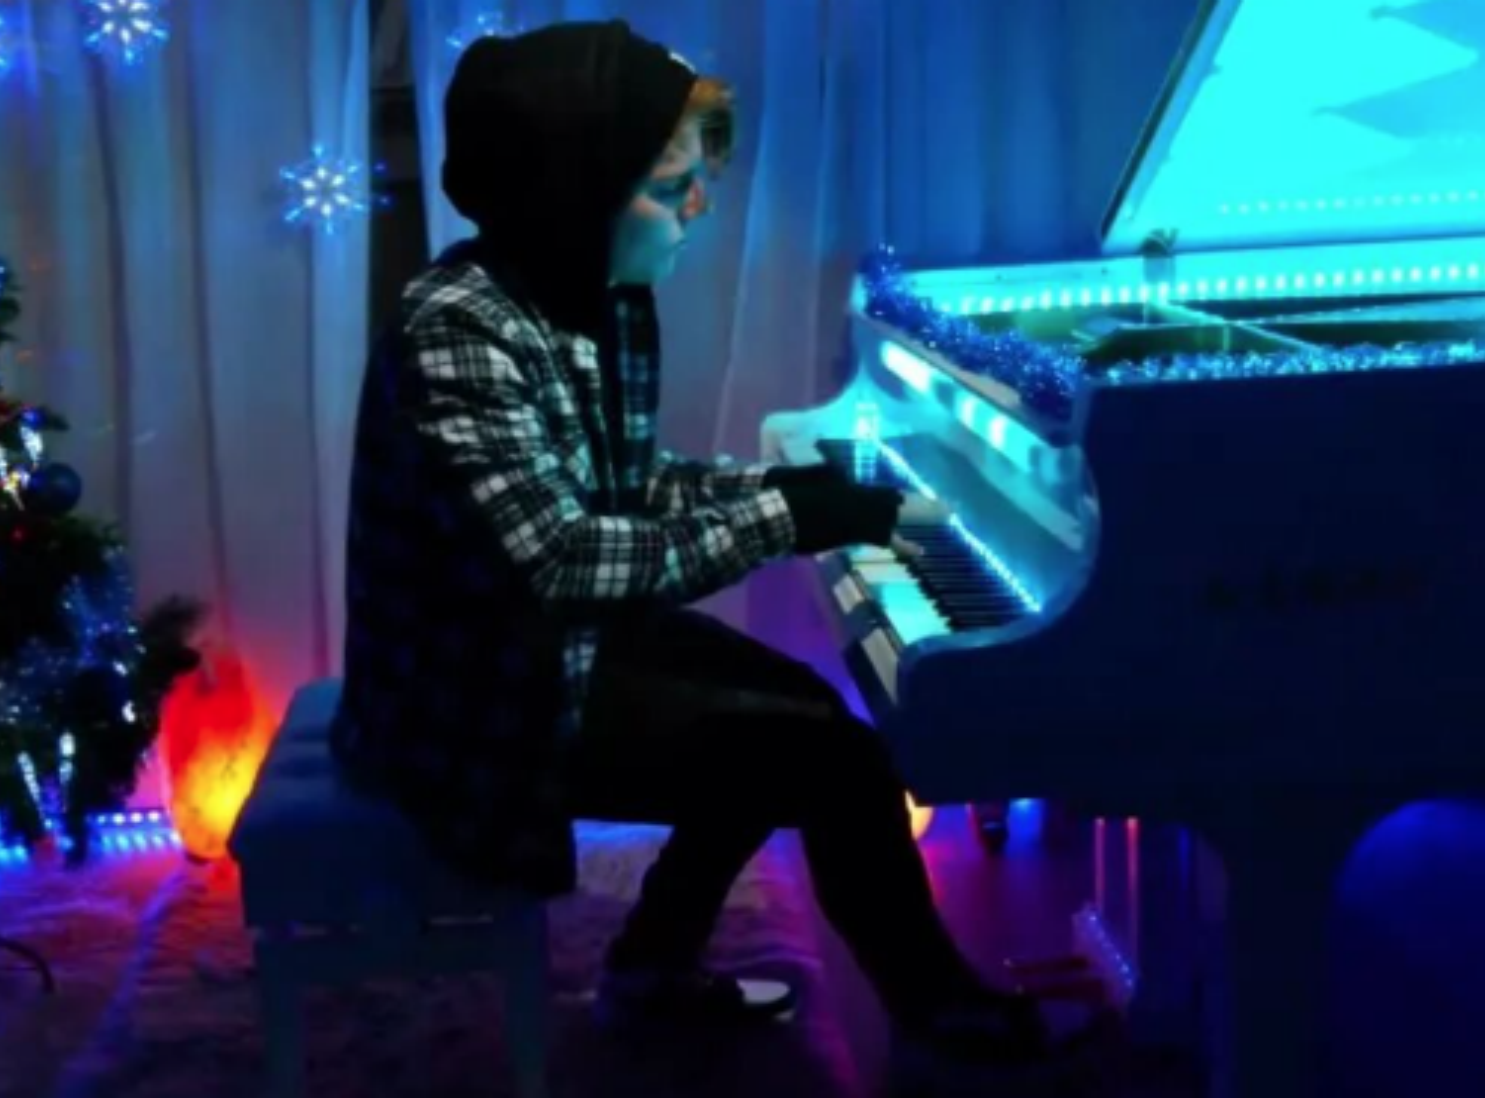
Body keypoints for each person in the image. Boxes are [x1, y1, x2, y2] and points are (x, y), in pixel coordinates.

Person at [333, 19, 1050, 1061]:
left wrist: (782, 487)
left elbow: (627, 487)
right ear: (571, 189)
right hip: (479, 704)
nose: (699, 208)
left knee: (805, 714)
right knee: (832, 759)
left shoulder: (594, 300)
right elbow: (561, 561)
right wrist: (785, 518)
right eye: (671, 188)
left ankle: (653, 968)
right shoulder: (458, 328)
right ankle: (940, 1017)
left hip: (550, 655)